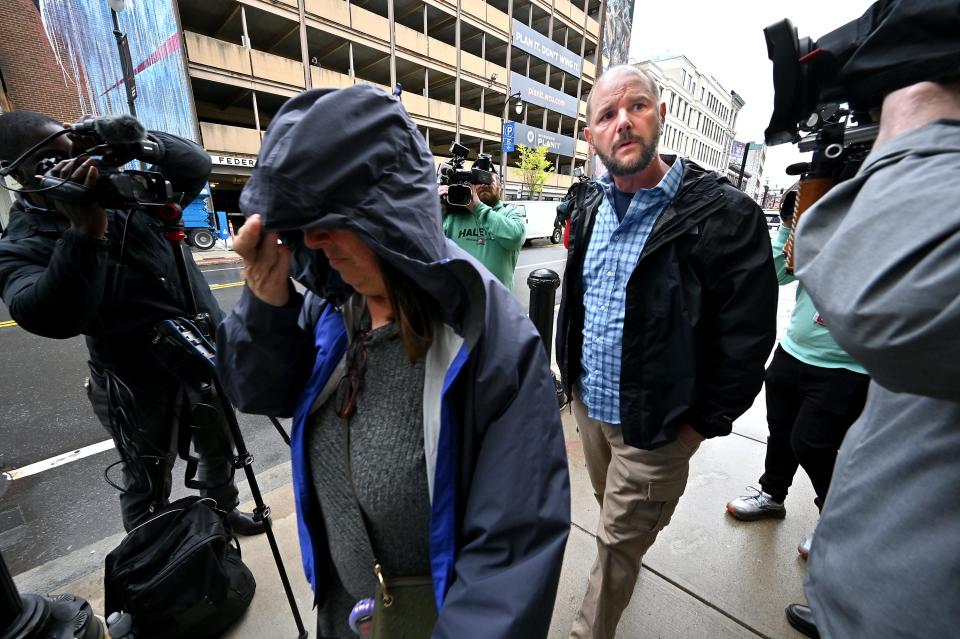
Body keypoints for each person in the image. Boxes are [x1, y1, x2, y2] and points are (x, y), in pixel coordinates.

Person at [216, 84, 570, 639]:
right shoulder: (333, 303)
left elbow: (512, 554)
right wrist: (265, 300)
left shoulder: (490, 343)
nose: (312, 238)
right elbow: (260, 391)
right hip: (346, 612)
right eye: (302, 220)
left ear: (385, 213)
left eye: (329, 217)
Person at [555, 65, 778, 639]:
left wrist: (696, 428)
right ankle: (628, 552)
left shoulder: (724, 216)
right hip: (591, 411)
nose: (622, 122)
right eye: (606, 115)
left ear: (661, 115)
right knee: (615, 519)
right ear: (591, 135)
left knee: (613, 547)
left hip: (656, 428)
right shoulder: (588, 205)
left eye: (636, 107)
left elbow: (746, 342)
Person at [0, 111, 262, 535]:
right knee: (146, 479)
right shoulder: (20, 244)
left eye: (74, 151)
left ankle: (220, 517)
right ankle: (154, 563)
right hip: (134, 380)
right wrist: (84, 233)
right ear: (16, 173)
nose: (75, 164)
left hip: (202, 355)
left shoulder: (129, 195)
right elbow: (49, 316)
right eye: (51, 159)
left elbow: (195, 165)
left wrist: (137, 143)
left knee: (219, 448)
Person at [780, 77, 960, 639]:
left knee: (811, 441)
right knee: (794, 435)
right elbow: (796, 263)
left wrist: (913, 126)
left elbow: (875, 297)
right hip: (876, 581)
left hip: (917, 604)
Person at [726, 191, 869, 560]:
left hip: (848, 366)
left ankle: (838, 521)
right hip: (793, 353)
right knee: (782, 430)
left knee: (812, 442)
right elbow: (775, 271)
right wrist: (792, 222)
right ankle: (773, 495)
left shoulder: (877, 231)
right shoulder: (819, 231)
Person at [438, 166, 525, 290]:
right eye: (478, 181)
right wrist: (436, 210)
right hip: (459, 303)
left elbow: (515, 238)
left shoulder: (509, 213)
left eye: (489, 180)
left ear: (500, 186)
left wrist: (477, 207)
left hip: (497, 303)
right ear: (471, 186)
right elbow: (427, 246)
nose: (484, 184)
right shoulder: (454, 215)